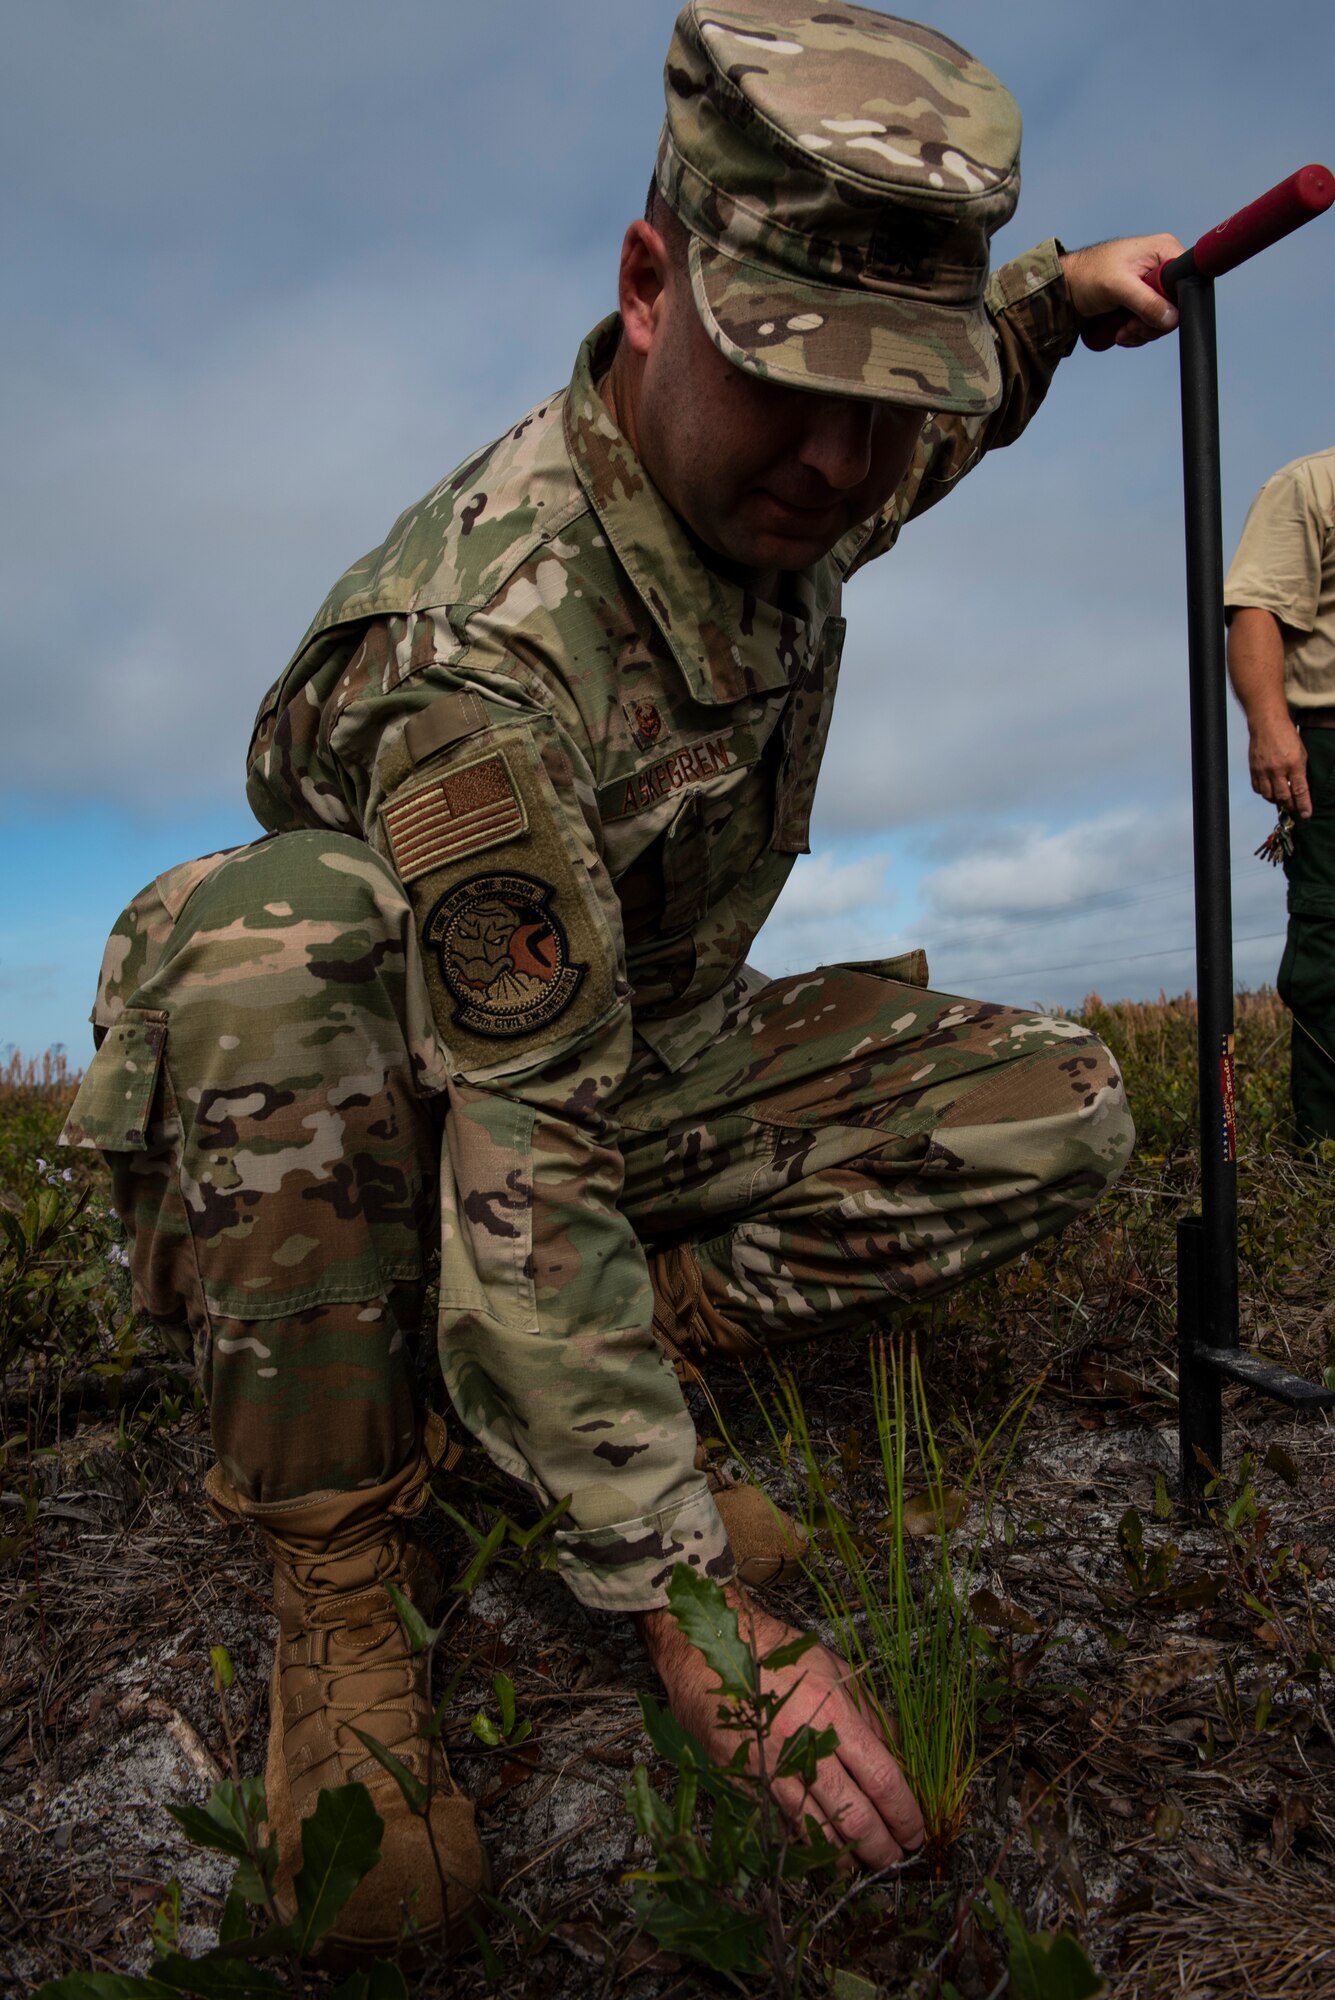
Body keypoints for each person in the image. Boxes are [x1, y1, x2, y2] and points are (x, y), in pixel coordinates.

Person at [62, 0, 1181, 1961]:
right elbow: (526, 1137)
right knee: (258, 944)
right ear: (647, 287)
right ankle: (344, 1562)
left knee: (1050, 1100)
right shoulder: (490, 664)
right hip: (433, 1097)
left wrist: (1056, 304)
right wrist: (693, 1607)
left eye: (884, 398)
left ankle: (543, 1389)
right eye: (797, 385)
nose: (843, 464)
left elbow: (950, 394)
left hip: (643, 1049)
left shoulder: (811, 459)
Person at [1225, 447, 1335, 1146]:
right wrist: (1269, 725)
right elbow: (1256, 608)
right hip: (1328, 747)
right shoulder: (1311, 483)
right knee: (1330, 957)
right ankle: (1324, 1169)